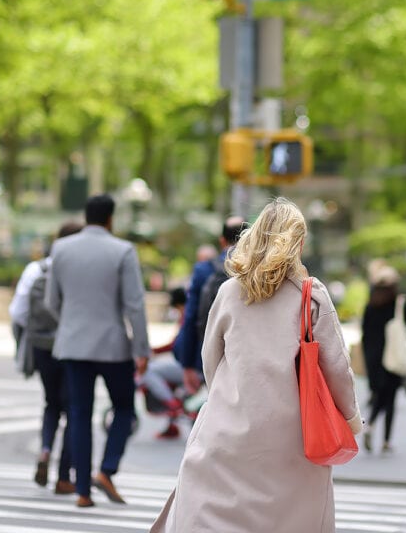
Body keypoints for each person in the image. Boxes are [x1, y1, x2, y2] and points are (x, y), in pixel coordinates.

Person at [150, 197, 362, 533]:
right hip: (293, 438)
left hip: (228, 431)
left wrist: (226, 394)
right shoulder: (311, 296)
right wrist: (351, 419)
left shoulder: (230, 292)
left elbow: (210, 360)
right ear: (299, 243)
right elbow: (337, 368)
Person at [45, 194, 151, 509]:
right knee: (125, 408)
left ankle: (82, 491)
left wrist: (69, 325)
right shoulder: (122, 250)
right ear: (110, 219)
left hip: (73, 344)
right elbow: (135, 305)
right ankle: (106, 470)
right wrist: (141, 348)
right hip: (112, 346)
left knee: (79, 413)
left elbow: (52, 301)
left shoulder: (61, 249)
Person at [9, 221, 83, 494]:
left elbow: (17, 313)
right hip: (71, 347)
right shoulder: (78, 271)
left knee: (52, 404)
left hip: (41, 347)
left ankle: (44, 450)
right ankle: (64, 477)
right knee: (75, 408)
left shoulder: (35, 269)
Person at [175, 216, 245, 395]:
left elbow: (191, 318)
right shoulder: (257, 270)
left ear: (222, 240)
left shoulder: (203, 270)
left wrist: (187, 363)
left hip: (212, 355)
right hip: (245, 355)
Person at [361, 263, 406, 453]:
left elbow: (364, 333)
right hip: (393, 358)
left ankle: (370, 425)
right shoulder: (399, 304)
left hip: (373, 359)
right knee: (390, 399)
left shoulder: (370, 305)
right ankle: (385, 440)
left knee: (378, 396)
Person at [140, 287, 188, 439]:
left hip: (187, 366)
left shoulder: (187, 315)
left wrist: (154, 351)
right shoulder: (190, 313)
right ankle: (172, 425)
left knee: (149, 371)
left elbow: (176, 344)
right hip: (189, 364)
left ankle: (171, 404)